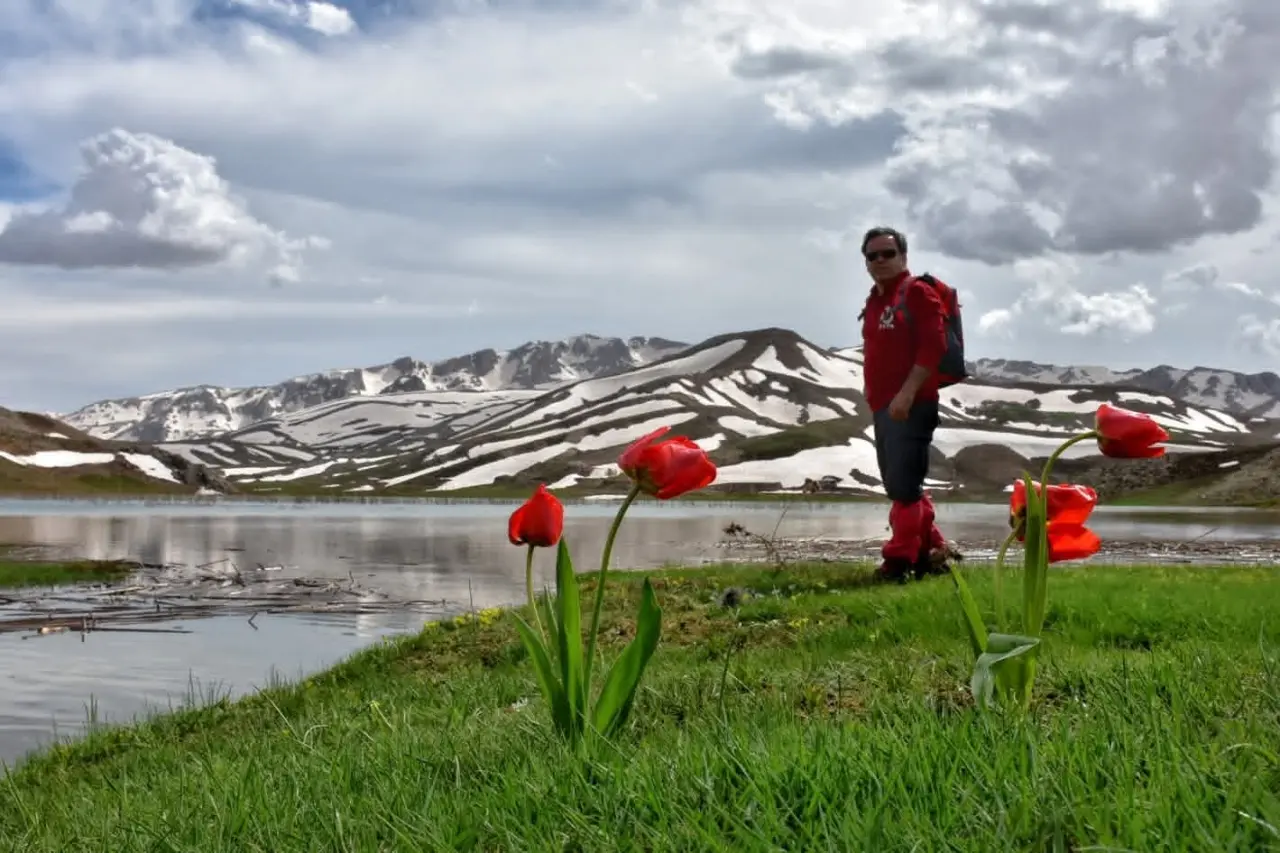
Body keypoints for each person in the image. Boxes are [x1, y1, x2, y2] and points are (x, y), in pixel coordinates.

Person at [857, 225, 955, 581]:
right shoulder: (874, 300)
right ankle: (933, 552)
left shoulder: (917, 293)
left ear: (903, 257)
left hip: (912, 404)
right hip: (884, 406)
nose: (880, 260)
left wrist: (908, 392)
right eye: (873, 255)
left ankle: (898, 562)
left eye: (888, 253)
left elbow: (934, 347)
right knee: (902, 484)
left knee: (903, 486)